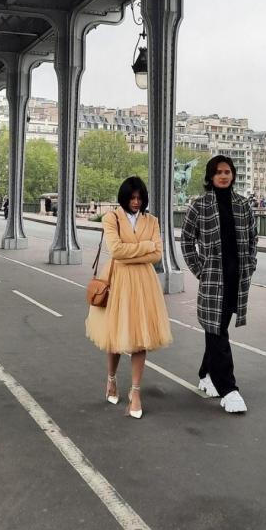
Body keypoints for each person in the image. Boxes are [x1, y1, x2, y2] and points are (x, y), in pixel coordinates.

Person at [85, 176, 172, 419]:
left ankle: (136, 392)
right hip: (118, 281)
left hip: (144, 284)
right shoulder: (111, 217)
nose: (136, 202)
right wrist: (145, 246)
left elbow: (157, 255)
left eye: (139, 197)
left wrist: (134, 251)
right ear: (124, 197)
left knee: (139, 338)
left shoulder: (152, 220)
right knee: (115, 336)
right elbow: (116, 251)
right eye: (132, 197)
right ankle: (111, 380)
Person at [180, 155, 257, 414]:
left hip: (236, 278)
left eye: (228, 172)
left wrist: (251, 264)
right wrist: (200, 270)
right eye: (218, 172)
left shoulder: (243, 205)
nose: (224, 176)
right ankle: (229, 389)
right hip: (213, 280)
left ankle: (205, 374)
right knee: (217, 332)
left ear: (233, 175)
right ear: (210, 176)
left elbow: (252, 239)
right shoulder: (199, 206)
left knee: (218, 328)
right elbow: (187, 241)